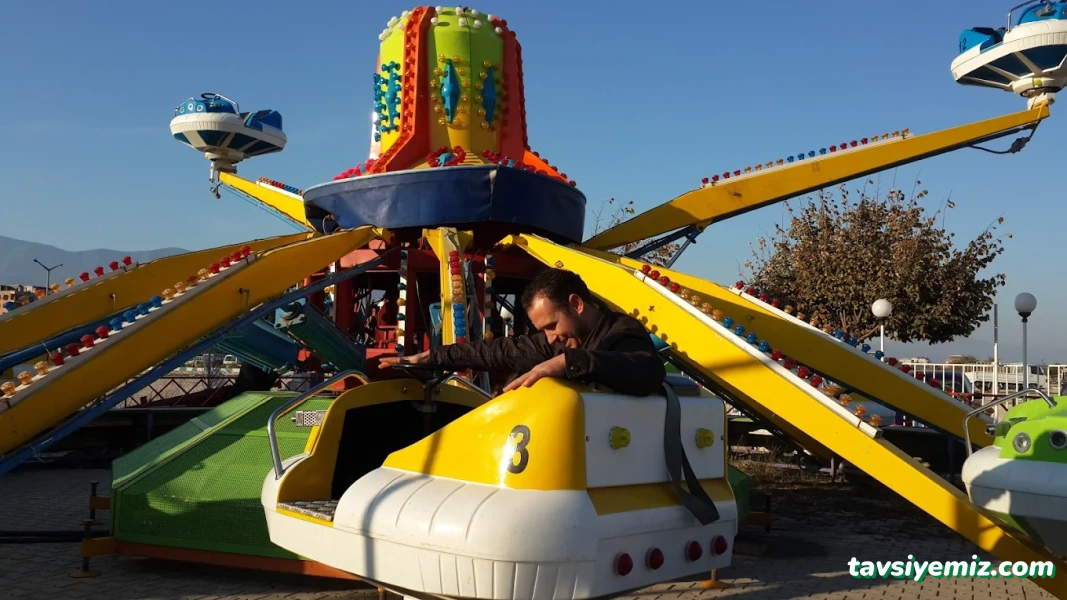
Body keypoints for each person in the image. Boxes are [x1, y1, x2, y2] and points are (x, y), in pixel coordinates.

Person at [378, 268, 666, 396]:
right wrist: (429, 357)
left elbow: (647, 372)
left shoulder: (622, 332)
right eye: (545, 330)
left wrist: (567, 362)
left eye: (553, 325)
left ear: (576, 304)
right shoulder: (556, 342)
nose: (552, 337)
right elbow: (495, 351)